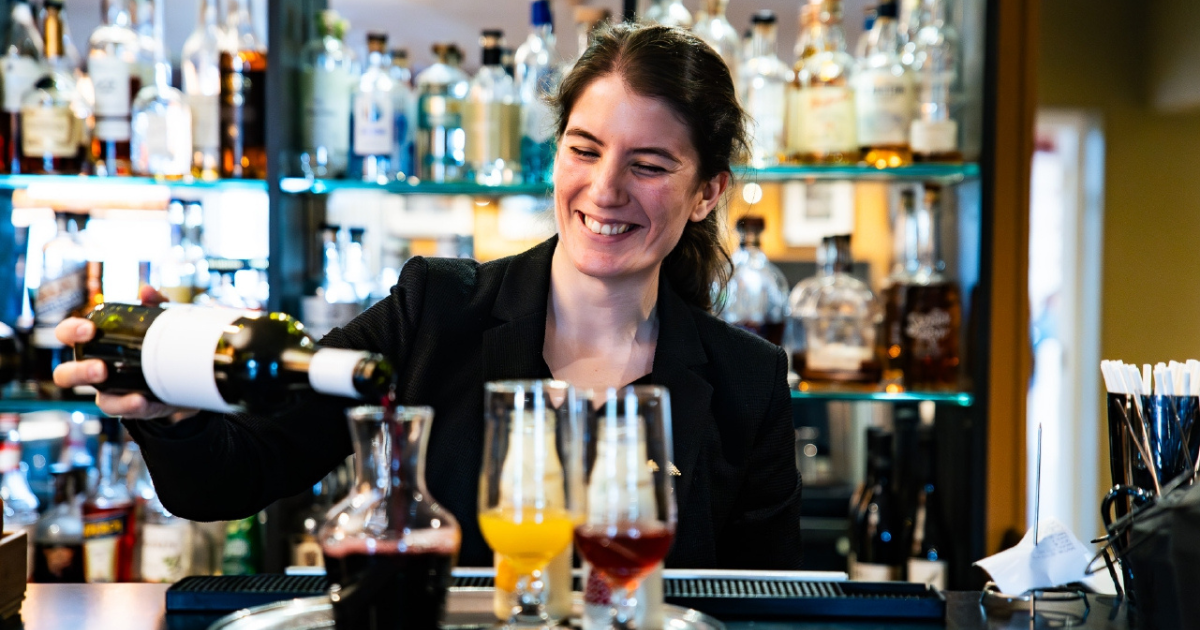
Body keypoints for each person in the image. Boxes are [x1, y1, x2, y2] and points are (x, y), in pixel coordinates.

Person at [53, 22, 802, 569]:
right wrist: (171, 416)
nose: (605, 190)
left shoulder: (747, 379)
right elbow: (236, 474)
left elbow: (771, 605)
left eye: (649, 164)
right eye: (584, 148)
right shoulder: (437, 311)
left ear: (707, 192)